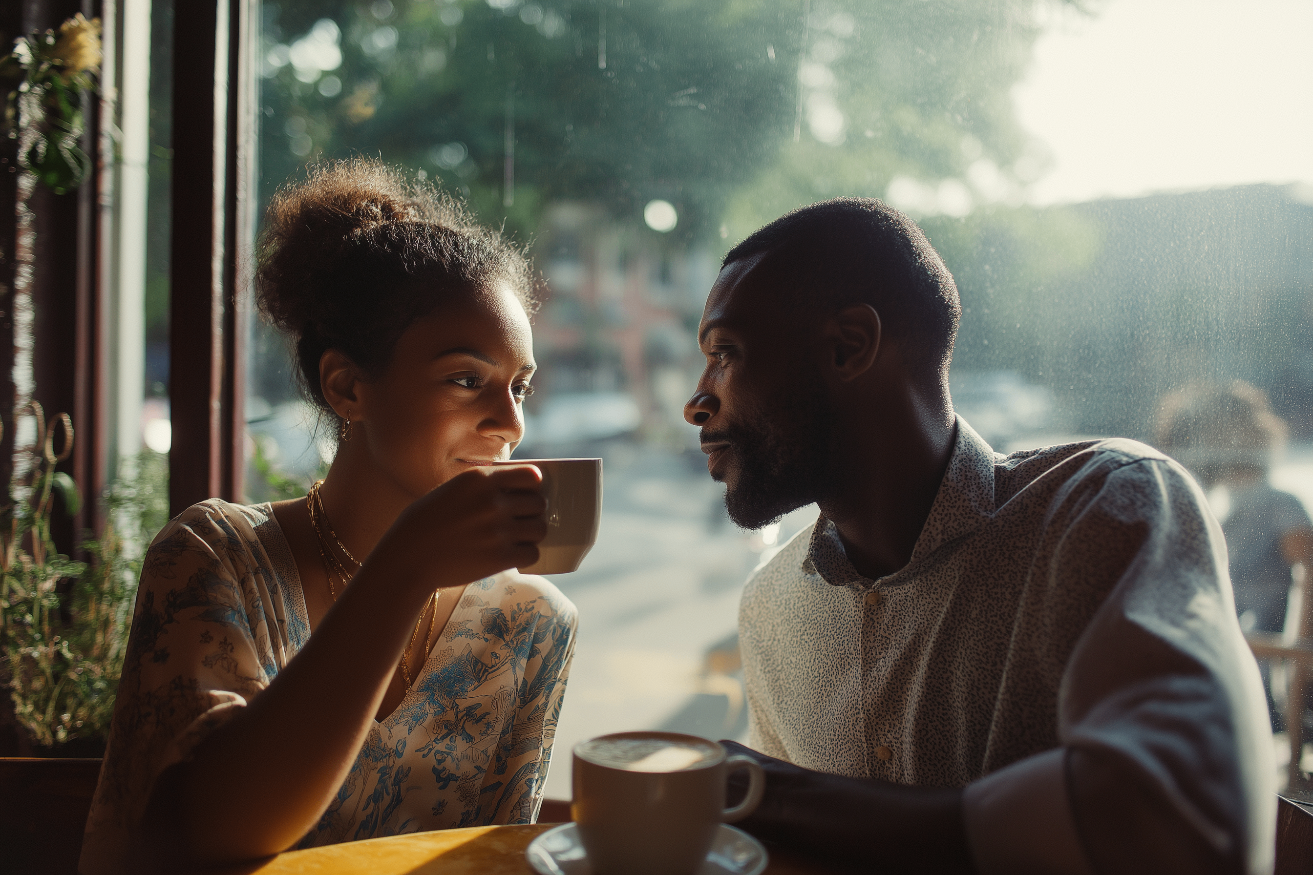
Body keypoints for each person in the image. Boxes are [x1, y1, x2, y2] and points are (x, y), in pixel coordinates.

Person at [683, 198, 1274, 874]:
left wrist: (769, 794)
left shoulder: (1103, 509)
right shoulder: (768, 609)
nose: (695, 401)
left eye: (723, 353)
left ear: (849, 345)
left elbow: (1179, 826)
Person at [80, 160, 577, 874]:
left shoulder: (529, 623)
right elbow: (212, 834)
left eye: (519, 387)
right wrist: (404, 567)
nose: (510, 422)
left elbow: (495, 860)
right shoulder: (214, 557)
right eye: (466, 379)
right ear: (346, 386)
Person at [1157, 380, 1313, 728]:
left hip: (1251, 658)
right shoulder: (1207, 505)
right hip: (1222, 652)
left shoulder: (1279, 506)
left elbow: (1307, 580)